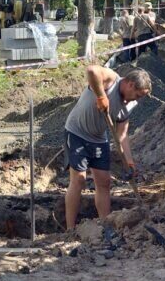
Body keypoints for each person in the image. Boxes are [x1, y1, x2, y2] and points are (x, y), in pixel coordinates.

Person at [63, 66, 152, 230]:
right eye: (138, 95)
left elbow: (122, 136)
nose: (136, 100)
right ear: (130, 84)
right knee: (79, 180)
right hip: (77, 133)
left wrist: (129, 162)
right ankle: (70, 229)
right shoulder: (111, 80)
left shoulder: (129, 105)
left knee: (104, 182)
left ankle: (106, 226)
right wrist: (101, 96)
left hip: (98, 139)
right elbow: (91, 70)